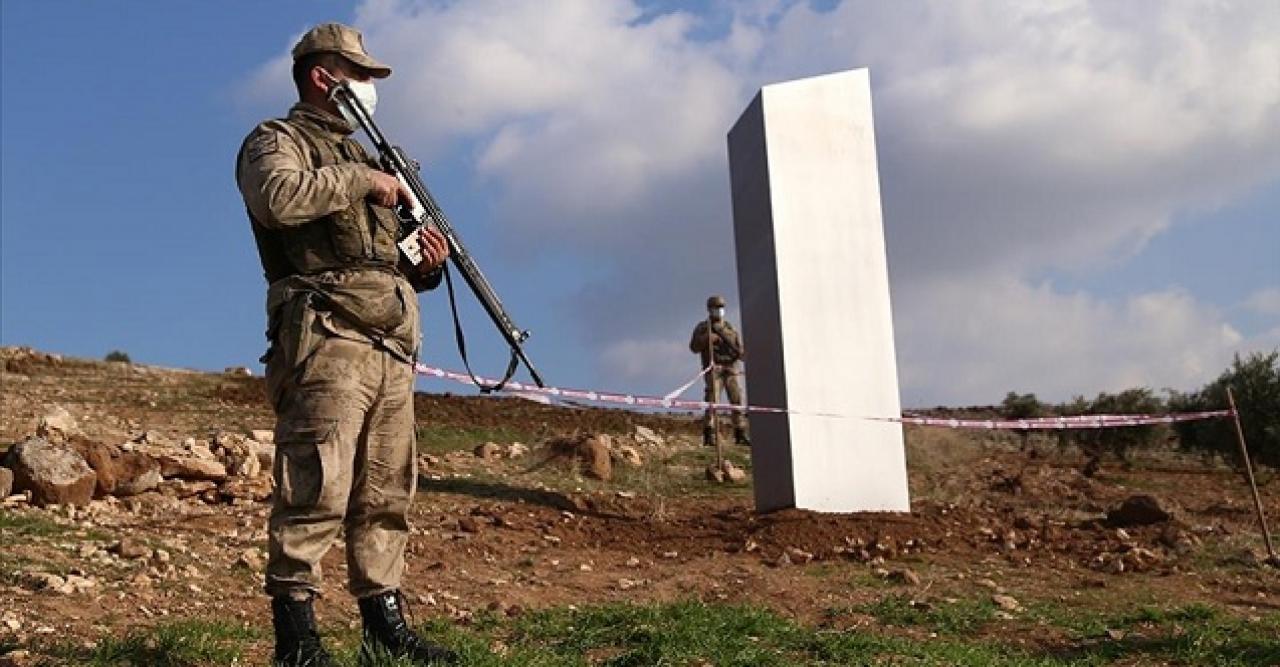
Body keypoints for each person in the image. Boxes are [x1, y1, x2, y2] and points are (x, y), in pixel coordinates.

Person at [235, 22, 456, 666]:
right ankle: (297, 641)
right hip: (326, 337)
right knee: (317, 488)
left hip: (391, 346)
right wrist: (363, 183)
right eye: (358, 75)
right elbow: (278, 198)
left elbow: (397, 255)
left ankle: (383, 628)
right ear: (320, 76)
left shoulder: (374, 157)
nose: (366, 88)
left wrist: (427, 263)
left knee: (384, 493)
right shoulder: (277, 140)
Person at [689, 295, 750, 446]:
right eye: (716, 308)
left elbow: (739, 348)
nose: (719, 310)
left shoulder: (730, 328)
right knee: (712, 400)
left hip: (731, 368)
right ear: (710, 310)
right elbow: (694, 347)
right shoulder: (703, 327)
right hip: (714, 368)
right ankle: (709, 434)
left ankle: (740, 432)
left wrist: (741, 353)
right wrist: (707, 339)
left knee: (737, 400)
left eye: (721, 307)